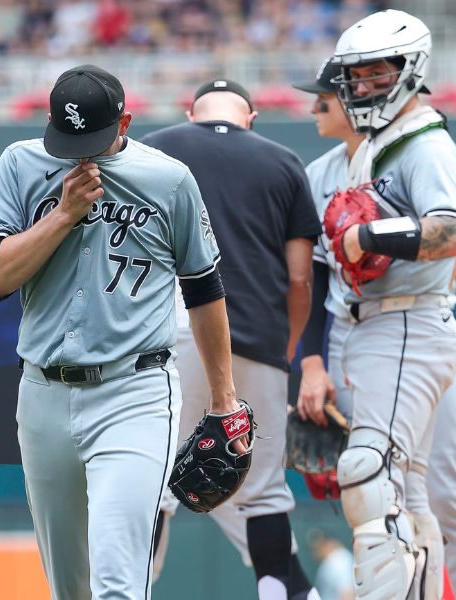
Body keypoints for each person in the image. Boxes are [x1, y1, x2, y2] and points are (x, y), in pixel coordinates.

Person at [0, 64, 244, 600]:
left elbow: (204, 288)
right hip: (43, 393)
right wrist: (64, 215)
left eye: (92, 140)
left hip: (134, 392)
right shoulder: (20, 164)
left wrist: (224, 401)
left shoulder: (169, 179)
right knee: (70, 588)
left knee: (118, 582)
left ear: (125, 122)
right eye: (67, 140)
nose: (78, 153)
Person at [294, 56, 456, 600]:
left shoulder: (417, 149)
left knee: (433, 493)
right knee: (396, 490)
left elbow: (449, 237)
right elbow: (309, 276)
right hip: (353, 330)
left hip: (415, 325)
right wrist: (311, 361)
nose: (315, 105)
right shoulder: (322, 173)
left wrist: (378, 238)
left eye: (325, 96)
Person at [139, 79, 322, 600]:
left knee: (154, 486)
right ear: (253, 117)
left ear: (189, 110)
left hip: (170, 335)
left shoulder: (154, 148)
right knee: (263, 493)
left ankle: (130, 590)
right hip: (257, 335)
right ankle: (280, 592)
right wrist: (282, 353)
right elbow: (299, 280)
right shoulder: (284, 161)